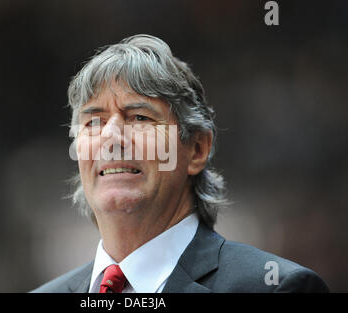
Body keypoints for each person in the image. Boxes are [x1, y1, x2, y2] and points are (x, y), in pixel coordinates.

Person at [32, 34, 329, 293]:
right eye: (94, 121)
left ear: (197, 149)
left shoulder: (276, 288)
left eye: (140, 117)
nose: (111, 137)